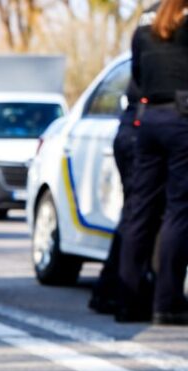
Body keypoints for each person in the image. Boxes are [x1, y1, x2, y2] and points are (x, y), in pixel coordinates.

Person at [117, 0, 188, 325]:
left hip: (148, 121)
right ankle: (168, 303)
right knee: (178, 210)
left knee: (140, 210)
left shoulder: (144, 31)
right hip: (181, 120)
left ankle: (128, 301)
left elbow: (137, 77)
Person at [93, 3, 162, 316]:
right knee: (141, 215)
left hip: (134, 129)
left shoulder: (152, 24)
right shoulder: (169, 31)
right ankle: (122, 293)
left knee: (136, 214)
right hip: (140, 131)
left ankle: (111, 291)